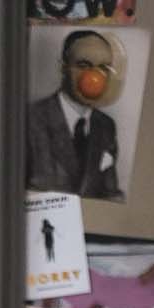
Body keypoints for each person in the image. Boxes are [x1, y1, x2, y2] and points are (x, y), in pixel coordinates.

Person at [27, 29, 123, 198]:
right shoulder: (30, 119)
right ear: (63, 67)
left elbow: (111, 194)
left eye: (103, 68)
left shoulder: (106, 126)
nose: (94, 78)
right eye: (83, 65)